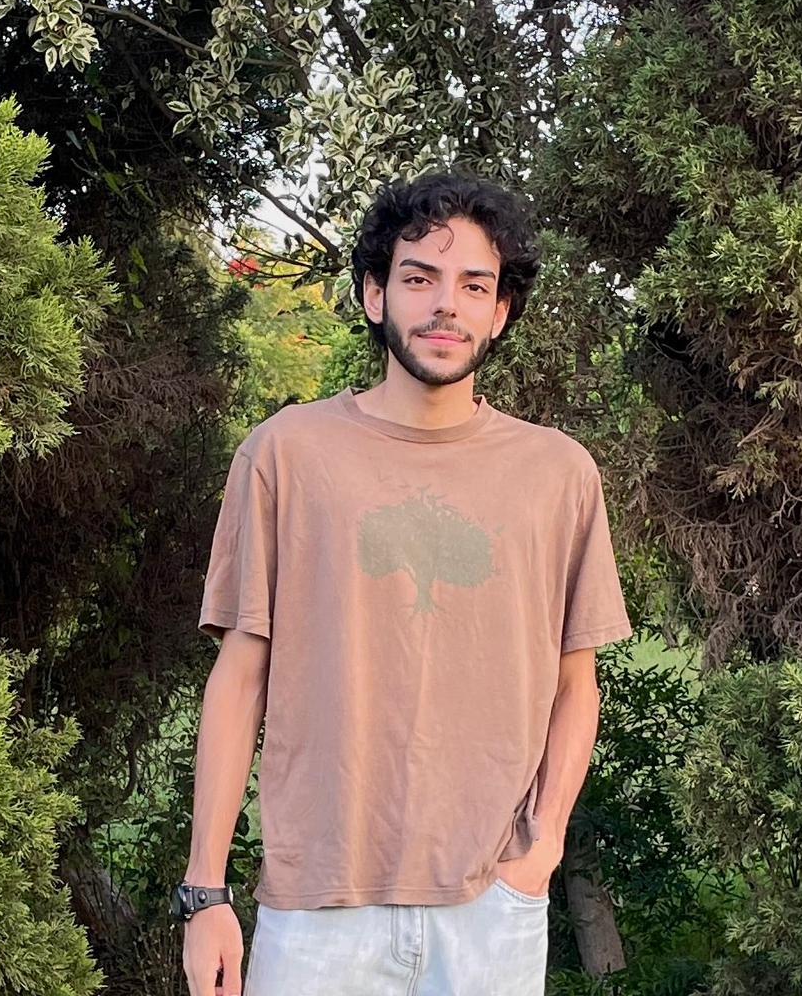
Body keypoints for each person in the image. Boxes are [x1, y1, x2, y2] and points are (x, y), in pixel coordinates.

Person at [178, 169, 633, 996]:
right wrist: (205, 894)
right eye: (419, 278)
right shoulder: (286, 455)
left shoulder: (558, 475)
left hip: (491, 908)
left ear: (500, 312)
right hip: (318, 912)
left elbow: (578, 684)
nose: (445, 306)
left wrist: (543, 849)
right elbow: (239, 677)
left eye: (474, 285)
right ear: (373, 294)